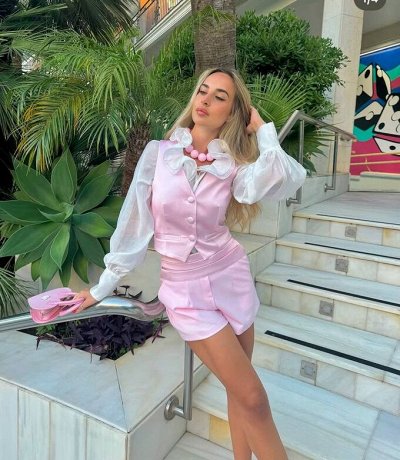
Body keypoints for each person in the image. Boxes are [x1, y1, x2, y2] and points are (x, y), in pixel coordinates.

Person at [75, 68, 306, 460]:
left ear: (232, 113)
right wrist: (102, 287)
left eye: (220, 97)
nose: (206, 100)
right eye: (203, 90)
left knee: (242, 393)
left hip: (230, 275)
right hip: (184, 291)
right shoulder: (158, 154)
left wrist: (263, 131)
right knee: (254, 397)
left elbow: (287, 177)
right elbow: (134, 222)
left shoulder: (231, 165)